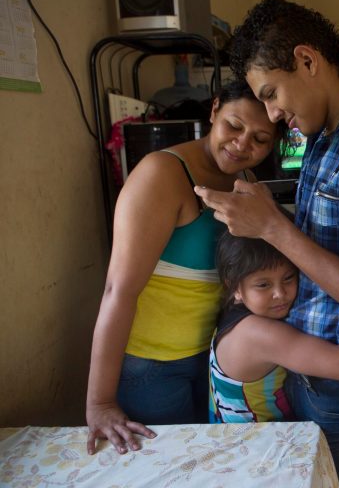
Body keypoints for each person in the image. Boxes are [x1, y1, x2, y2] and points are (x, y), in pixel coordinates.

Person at [194, 0, 339, 488]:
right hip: (312, 371)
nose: (274, 114)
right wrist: (268, 215)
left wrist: (272, 227)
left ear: (307, 60)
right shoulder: (325, 137)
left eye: (272, 94)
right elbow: (321, 242)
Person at [86, 80, 286, 455]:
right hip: (153, 370)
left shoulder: (245, 182)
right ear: (213, 111)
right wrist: (99, 403)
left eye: (260, 139)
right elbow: (119, 289)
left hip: (212, 361)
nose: (243, 144)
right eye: (234, 125)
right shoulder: (161, 174)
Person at [209, 232, 339, 423]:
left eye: (288, 278)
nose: (279, 293)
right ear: (234, 287)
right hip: (258, 447)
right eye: (263, 285)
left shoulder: (233, 315)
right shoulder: (256, 334)